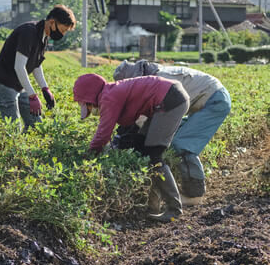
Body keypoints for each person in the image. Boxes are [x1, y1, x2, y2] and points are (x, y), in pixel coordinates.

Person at [73, 73, 190, 223]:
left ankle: (174, 209)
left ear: (90, 96)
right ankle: (153, 207)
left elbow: (103, 134)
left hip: (170, 99)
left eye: (87, 104)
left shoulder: (108, 97)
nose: (90, 109)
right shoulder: (110, 91)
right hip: (169, 96)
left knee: (153, 155)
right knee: (143, 151)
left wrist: (89, 155)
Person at [113, 60, 231, 206]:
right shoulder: (151, 79)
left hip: (215, 99)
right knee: (163, 141)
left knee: (181, 145)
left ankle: (194, 195)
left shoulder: (159, 79)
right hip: (202, 100)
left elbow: (144, 119)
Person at [0, 4, 76, 129]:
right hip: (4, 82)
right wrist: (32, 95)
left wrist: (45, 89)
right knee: (13, 127)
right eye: (62, 30)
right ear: (52, 22)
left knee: (36, 124)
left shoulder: (44, 36)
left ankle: (27, 147)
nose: (62, 34)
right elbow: (19, 67)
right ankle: (11, 147)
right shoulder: (29, 32)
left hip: (19, 84)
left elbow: (36, 65)